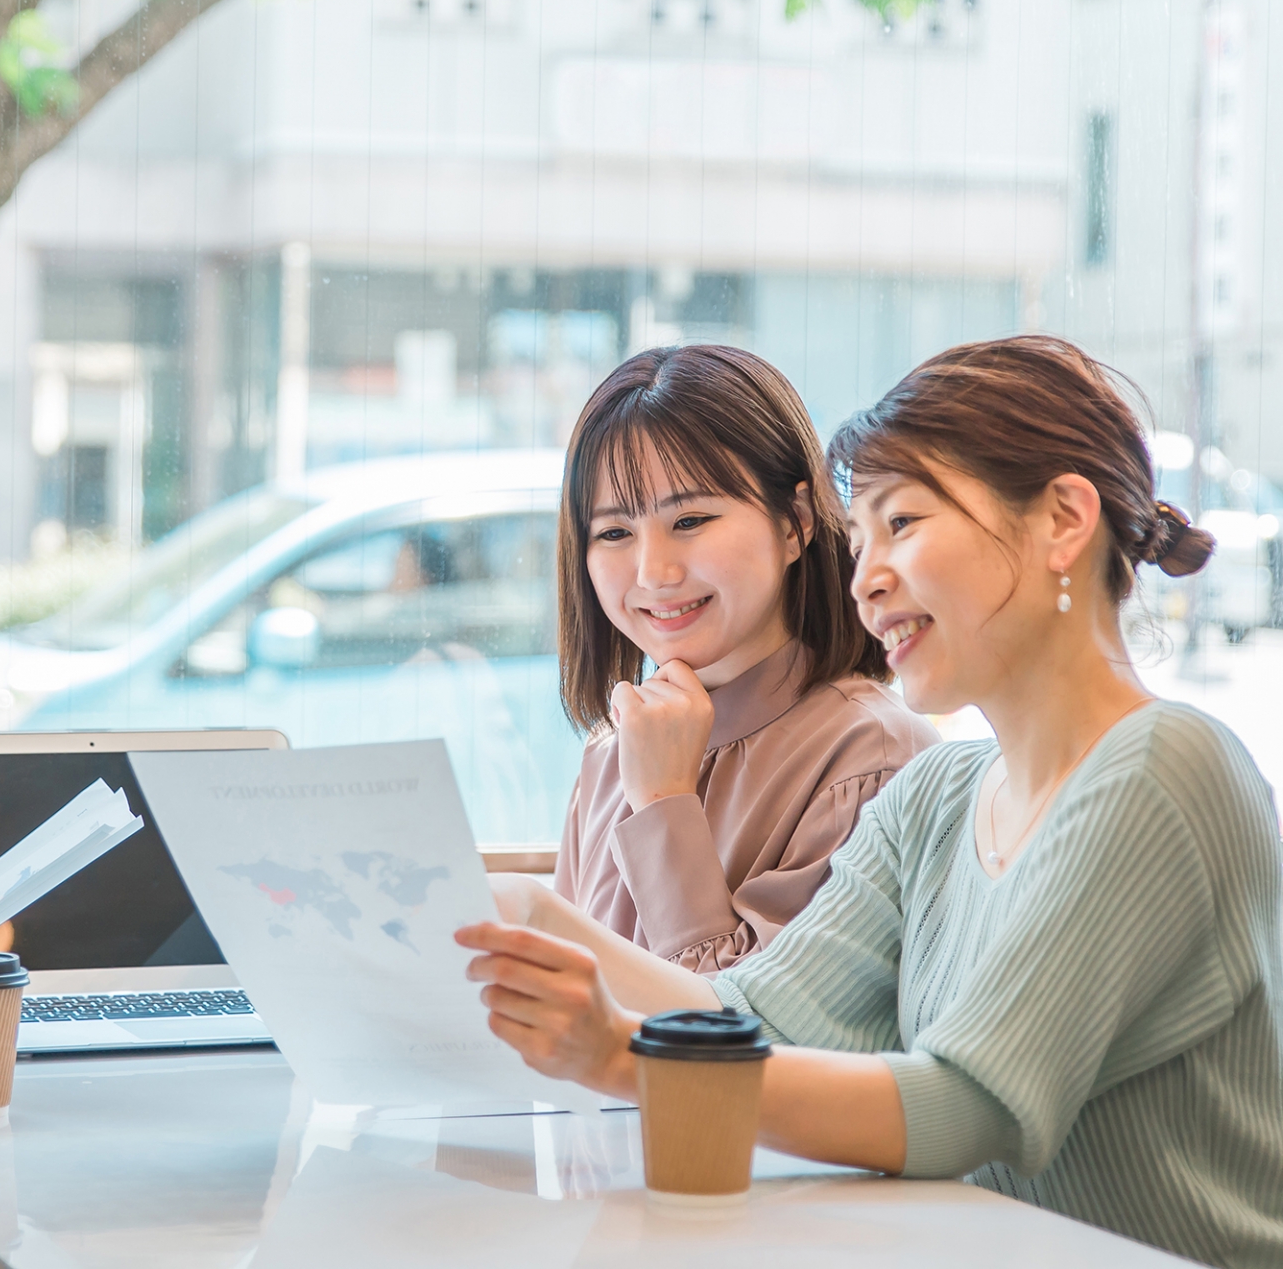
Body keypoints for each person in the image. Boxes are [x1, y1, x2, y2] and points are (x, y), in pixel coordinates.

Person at [462, 336, 1283, 1268]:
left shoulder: (1162, 768)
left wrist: (618, 1055)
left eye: (903, 525)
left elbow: (965, 1106)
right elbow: (750, 1017)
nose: (867, 578)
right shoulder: (939, 795)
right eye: (863, 538)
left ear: (1063, 520)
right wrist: (529, 922)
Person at [545, 345, 937, 972]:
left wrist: (665, 803)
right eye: (614, 533)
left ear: (795, 522)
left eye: (691, 519)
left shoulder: (874, 759)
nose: (654, 572)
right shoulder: (610, 750)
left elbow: (743, 1042)